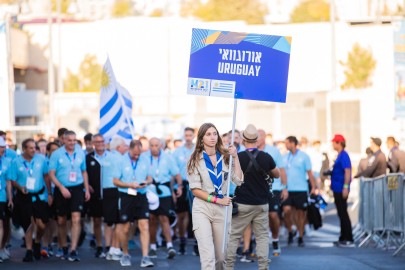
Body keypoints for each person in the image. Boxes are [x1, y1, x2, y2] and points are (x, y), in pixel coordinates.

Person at [187, 123, 243, 270]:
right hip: (203, 208)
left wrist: (235, 157)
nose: (212, 137)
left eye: (214, 133)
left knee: (220, 258)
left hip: (222, 209)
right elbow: (195, 190)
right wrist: (217, 199)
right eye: (208, 134)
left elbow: (238, 180)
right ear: (201, 139)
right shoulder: (194, 159)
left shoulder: (225, 157)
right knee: (208, 258)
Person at [225, 124, 280, 270]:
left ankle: (228, 266)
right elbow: (277, 174)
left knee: (234, 236)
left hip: (243, 202)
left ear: (243, 140)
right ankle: (263, 267)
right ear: (257, 139)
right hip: (262, 203)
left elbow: (233, 177)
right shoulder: (266, 157)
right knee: (262, 237)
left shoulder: (238, 157)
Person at [49, 130, 90, 261]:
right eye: (69, 140)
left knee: (76, 218)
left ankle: (73, 249)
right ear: (63, 140)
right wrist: (61, 188)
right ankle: (63, 246)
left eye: (74, 140)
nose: (72, 143)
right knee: (61, 220)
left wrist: (86, 189)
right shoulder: (56, 154)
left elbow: (84, 172)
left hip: (77, 188)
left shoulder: (80, 153)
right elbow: (51, 174)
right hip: (62, 189)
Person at [8, 138, 52, 262]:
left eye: (35, 147)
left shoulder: (41, 159)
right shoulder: (16, 161)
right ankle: (28, 250)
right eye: (31, 148)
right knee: (28, 224)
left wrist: (49, 193)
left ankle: (37, 242)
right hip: (24, 196)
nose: (34, 150)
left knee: (42, 224)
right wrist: (19, 187)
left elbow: (46, 176)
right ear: (24, 149)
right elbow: (12, 179)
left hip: (39, 195)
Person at [113, 139, 154, 267]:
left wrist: (146, 183)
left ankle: (145, 257)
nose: (137, 156)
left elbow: (150, 178)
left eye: (139, 153)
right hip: (126, 196)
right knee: (125, 228)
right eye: (134, 153)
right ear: (129, 150)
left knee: (144, 225)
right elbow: (115, 181)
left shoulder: (145, 159)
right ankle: (125, 253)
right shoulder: (120, 160)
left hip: (141, 195)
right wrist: (129, 184)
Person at [146, 137, 182, 259]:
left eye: (156, 145)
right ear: (149, 146)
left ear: (161, 146)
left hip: (164, 192)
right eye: (152, 145)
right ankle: (152, 246)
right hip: (150, 193)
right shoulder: (144, 157)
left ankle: (169, 245)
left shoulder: (168, 157)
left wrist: (179, 187)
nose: (154, 148)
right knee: (151, 219)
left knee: (164, 218)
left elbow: (177, 174)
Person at [258, 128, 287, 257]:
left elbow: (281, 169)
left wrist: (285, 187)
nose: (256, 138)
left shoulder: (274, 151)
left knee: (273, 215)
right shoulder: (249, 151)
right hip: (256, 188)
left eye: (258, 136)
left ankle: (275, 240)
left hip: (273, 188)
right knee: (256, 217)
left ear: (263, 138)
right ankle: (255, 243)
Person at [282, 136, 316, 247]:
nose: (285, 145)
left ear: (293, 143)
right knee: (286, 211)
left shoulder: (304, 156)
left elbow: (310, 173)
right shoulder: (284, 157)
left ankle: (300, 237)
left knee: (301, 214)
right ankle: (291, 231)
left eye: (287, 143)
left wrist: (313, 187)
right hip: (287, 189)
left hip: (301, 189)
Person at [328, 134, 354, 247]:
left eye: (334, 142)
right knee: (341, 213)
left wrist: (345, 187)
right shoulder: (339, 155)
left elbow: (347, 171)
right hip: (337, 187)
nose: (333, 144)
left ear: (339, 143)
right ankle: (343, 237)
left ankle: (348, 238)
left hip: (341, 188)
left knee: (343, 213)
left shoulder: (344, 155)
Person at [172, 127, 195, 255]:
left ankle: (197, 243)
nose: (187, 137)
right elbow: (174, 171)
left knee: (196, 215)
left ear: (193, 136)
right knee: (182, 215)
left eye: (190, 135)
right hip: (181, 185)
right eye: (186, 135)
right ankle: (182, 240)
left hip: (195, 185)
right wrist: (176, 187)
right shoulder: (177, 152)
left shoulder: (198, 150)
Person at [0, 137, 12, 262]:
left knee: (2, 224)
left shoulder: (7, 161)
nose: (3, 149)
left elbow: (8, 181)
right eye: (1, 146)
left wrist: (10, 198)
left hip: (1, 197)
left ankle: (1, 248)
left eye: (4, 146)